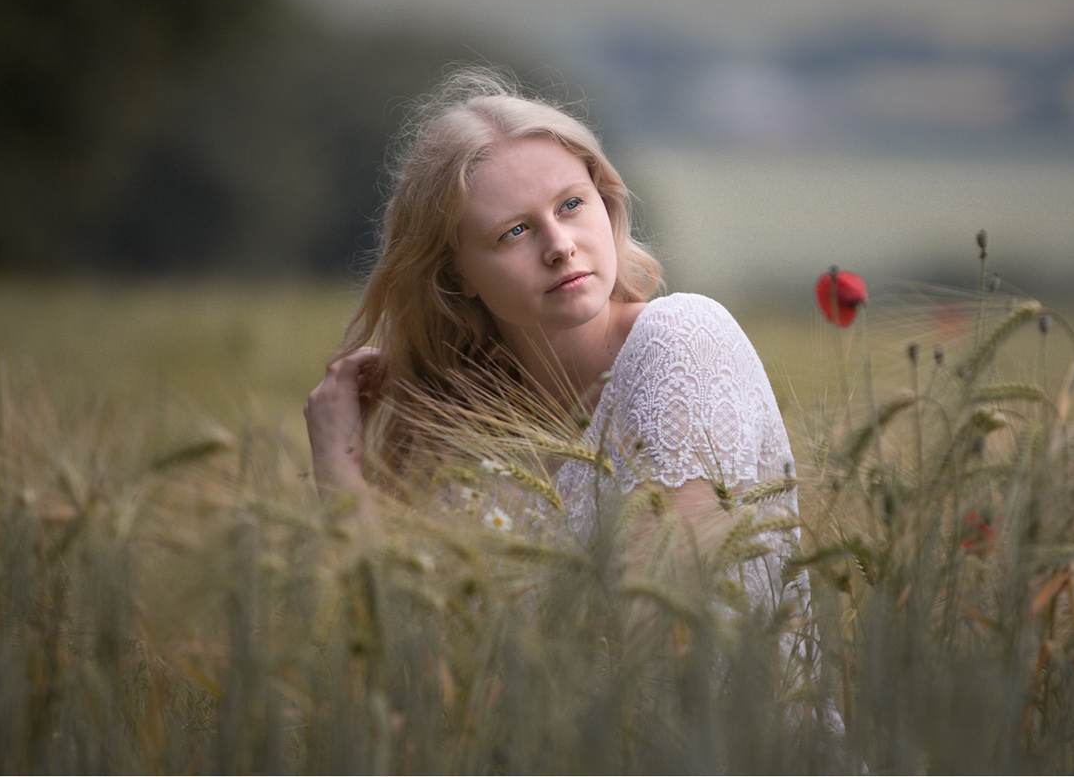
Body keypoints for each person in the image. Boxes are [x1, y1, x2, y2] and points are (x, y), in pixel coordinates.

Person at [304, 67, 802, 611]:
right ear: (457, 276)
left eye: (571, 205)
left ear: (606, 204)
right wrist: (338, 467)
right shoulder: (465, 447)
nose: (560, 246)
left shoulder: (681, 341)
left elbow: (662, 635)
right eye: (514, 231)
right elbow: (402, 661)